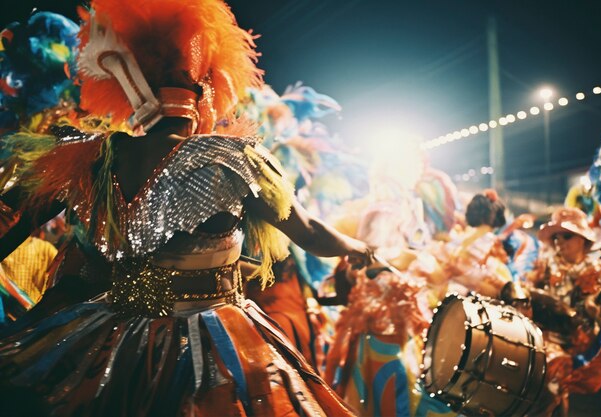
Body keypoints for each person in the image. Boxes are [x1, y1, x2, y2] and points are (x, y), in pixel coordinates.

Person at [0, 0, 373, 415]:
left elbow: (12, 218)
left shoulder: (89, 158)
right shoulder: (234, 159)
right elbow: (310, 232)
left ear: (130, 88)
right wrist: (357, 248)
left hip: (105, 340)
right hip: (215, 344)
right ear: (206, 93)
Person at [527, 206, 601, 416]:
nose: (559, 242)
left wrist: (597, 312)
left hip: (584, 356)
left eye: (566, 236)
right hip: (545, 347)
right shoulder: (544, 268)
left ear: (582, 239)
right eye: (555, 238)